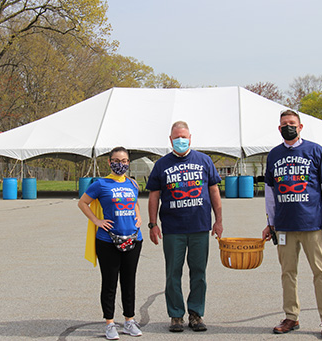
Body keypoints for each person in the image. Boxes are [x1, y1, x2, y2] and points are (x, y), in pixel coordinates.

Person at [262, 110, 322, 340]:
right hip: (284, 226)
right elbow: (270, 192)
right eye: (284, 124)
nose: (289, 127)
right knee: (288, 273)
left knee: (320, 272)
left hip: (312, 224)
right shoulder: (274, 155)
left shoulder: (315, 151)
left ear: (301, 127)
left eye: (292, 123)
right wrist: (270, 223)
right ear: (279, 128)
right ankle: (291, 316)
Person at [146, 121, 223, 333]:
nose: (181, 140)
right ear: (170, 140)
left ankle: (196, 314)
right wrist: (153, 224)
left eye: (184, 137)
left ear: (190, 137)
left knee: (199, 273)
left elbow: (214, 191)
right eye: (176, 137)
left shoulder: (204, 160)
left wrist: (218, 220)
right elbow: (154, 196)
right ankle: (176, 315)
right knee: (173, 273)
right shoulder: (161, 165)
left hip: (199, 227)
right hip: (173, 229)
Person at [78, 147, 143, 340]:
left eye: (124, 161)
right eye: (116, 160)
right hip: (108, 241)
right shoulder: (100, 184)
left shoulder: (133, 183)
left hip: (133, 239)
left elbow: (135, 203)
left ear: (128, 162)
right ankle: (109, 323)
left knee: (129, 282)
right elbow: (82, 203)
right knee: (109, 283)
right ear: (109, 162)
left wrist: (138, 217)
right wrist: (97, 221)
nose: (120, 164)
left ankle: (129, 321)